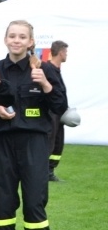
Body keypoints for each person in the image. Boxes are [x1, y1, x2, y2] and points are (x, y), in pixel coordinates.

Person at [0, 20, 67, 230]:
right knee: (3, 202)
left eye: (22, 37)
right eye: (12, 36)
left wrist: (45, 85)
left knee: (34, 204)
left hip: (34, 143)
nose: (16, 40)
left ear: (31, 42)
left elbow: (60, 105)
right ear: (5, 39)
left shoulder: (44, 69)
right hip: (5, 144)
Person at [44, 40, 69, 182]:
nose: (66, 55)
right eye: (66, 52)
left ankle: (50, 170)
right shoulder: (48, 69)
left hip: (60, 113)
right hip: (51, 113)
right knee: (50, 141)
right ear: (60, 53)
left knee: (58, 143)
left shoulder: (58, 70)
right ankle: (42, 170)